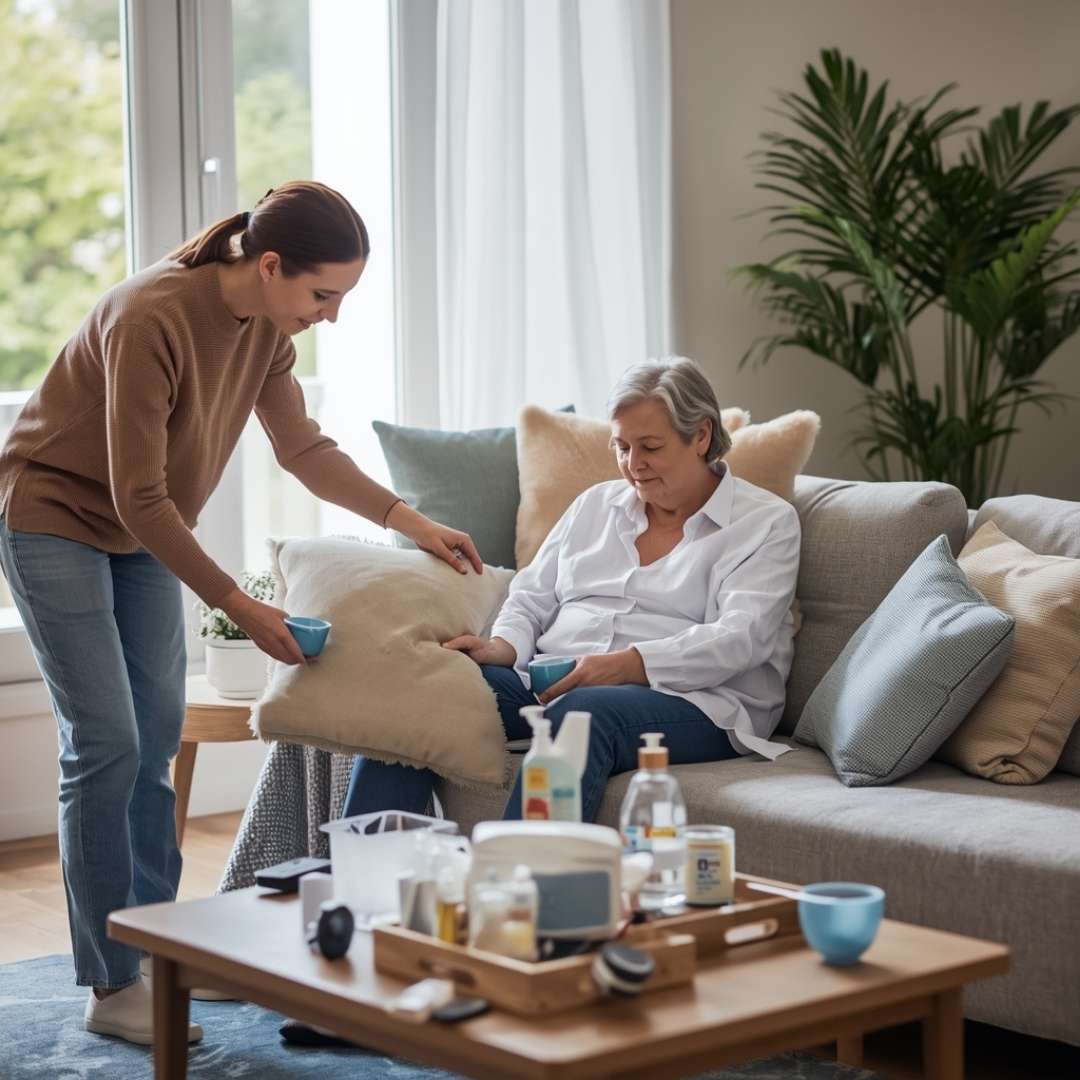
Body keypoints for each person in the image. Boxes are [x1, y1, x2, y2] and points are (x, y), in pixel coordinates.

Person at [0, 181, 481, 1045]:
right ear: (268, 266)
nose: (329, 316)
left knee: (154, 734)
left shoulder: (269, 329)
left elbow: (302, 448)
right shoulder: (151, 316)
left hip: (141, 528)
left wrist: (410, 523)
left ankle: (159, 953)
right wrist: (241, 607)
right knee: (106, 740)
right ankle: (112, 984)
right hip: (52, 516)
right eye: (322, 295)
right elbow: (139, 496)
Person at [342, 356, 801, 824]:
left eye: (650, 447)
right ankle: (359, 877)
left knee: (583, 715)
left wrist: (627, 665)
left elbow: (742, 637)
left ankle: (512, 887)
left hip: (700, 705)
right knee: (425, 679)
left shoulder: (764, 522)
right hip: (553, 684)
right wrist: (503, 646)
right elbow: (531, 594)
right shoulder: (594, 506)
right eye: (621, 446)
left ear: (701, 435)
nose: (633, 465)